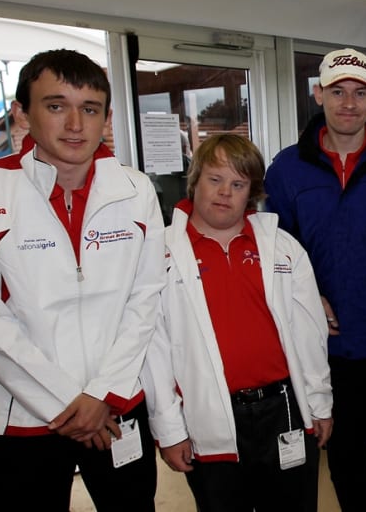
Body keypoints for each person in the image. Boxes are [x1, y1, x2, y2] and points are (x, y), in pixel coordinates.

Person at [0, 49, 164, 510]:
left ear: (106, 118)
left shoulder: (135, 191)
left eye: (89, 109)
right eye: (56, 106)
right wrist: (68, 403)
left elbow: (145, 300)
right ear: (22, 113)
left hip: (116, 406)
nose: (75, 124)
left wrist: (101, 395)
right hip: (22, 418)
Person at [142, 134, 333, 512]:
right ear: (194, 181)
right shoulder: (158, 254)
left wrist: (320, 403)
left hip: (284, 410)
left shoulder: (282, 248)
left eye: (238, 183)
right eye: (215, 179)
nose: (225, 192)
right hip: (207, 414)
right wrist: (169, 430)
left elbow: (310, 335)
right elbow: (154, 349)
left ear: (252, 192)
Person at [264, 48, 366, 512]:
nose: (349, 103)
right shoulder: (286, 169)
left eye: (360, 92)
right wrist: (309, 298)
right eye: (337, 91)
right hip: (329, 349)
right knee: (344, 460)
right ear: (318, 93)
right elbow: (277, 254)